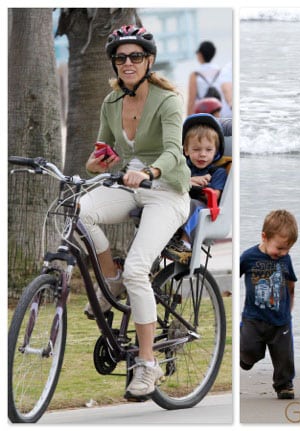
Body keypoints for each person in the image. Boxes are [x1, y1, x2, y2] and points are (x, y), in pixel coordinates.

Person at [79, 25, 190, 400]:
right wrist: (98, 163)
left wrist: (149, 172)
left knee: (139, 269)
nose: (128, 63)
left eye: (136, 56)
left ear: (149, 60)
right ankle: (111, 278)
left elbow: (176, 152)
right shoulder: (111, 104)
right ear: (114, 63)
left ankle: (148, 364)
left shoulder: (168, 99)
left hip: (166, 191)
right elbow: (102, 153)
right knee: (81, 212)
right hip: (129, 187)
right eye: (122, 57)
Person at [240, 210, 298, 399]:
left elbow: (291, 285)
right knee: (249, 350)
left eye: (287, 249)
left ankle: (284, 385)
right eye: (279, 248)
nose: (283, 253)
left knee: (284, 357)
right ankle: (247, 358)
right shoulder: (248, 257)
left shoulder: (285, 260)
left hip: (280, 319)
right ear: (264, 237)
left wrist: (289, 311)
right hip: (253, 317)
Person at [162, 113, 228, 263]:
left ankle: (184, 244)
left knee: (194, 205)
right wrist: (188, 181)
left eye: (208, 150)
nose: (202, 154)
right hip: (180, 205)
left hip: (204, 212)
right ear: (186, 150)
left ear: (216, 151)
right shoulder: (183, 168)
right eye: (197, 149)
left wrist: (201, 187)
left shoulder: (218, 172)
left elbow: (214, 196)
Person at [187, 40, 221, 115]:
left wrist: (188, 120)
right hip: (218, 113)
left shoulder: (195, 74)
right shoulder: (220, 72)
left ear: (200, 54)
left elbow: (191, 101)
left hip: (202, 114)